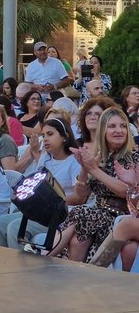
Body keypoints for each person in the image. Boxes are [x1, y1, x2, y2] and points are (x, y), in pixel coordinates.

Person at [47, 107, 139, 262]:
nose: (119, 130)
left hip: (119, 217)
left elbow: (126, 192)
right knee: (78, 237)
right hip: (97, 216)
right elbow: (82, 194)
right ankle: (75, 277)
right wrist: (84, 167)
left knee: (81, 213)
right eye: (112, 126)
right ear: (103, 130)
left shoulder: (133, 157)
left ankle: (45, 256)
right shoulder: (99, 156)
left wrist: (94, 170)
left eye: (123, 126)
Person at [0, 118, 81, 250]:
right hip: (40, 210)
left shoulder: (74, 162)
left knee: (14, 227)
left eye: (50, 134)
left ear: (65, 137)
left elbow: (79, 197)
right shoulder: (45, 158)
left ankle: (22, 269)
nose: (45, 139)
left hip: (61, 214)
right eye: (43, 135)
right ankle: (1, 265)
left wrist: (54, 201)